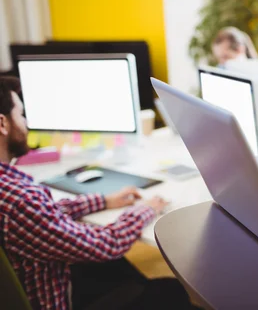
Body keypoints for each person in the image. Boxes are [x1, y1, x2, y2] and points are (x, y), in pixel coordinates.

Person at [0, 76, 195, 310]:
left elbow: (45, 216)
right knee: (173, 292)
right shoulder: (20, 201)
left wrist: (103, 200)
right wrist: (146, 209)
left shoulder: (10, 189)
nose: (25, 123)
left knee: (122, 270)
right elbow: (106, 243)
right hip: (56, 299)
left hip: (47, 275)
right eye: (20, 115)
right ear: (2, 123)